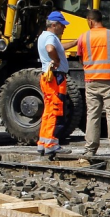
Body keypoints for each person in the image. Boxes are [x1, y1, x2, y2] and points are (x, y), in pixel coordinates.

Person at [76, 9, 110, 157]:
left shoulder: (84, 37)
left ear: (90, 21)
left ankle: (90, 149)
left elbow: (81, 59)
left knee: (92, 114)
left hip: (91, 82)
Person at [36, 11, 77, 158]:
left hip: (48, 76)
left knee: (48, 111)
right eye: (62, 26)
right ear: (54, 25)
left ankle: (44, 143)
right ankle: (52, 145)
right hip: (56, 77)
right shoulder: (50, 37)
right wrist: (57, 61)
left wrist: (75, 42)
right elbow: (51, 48)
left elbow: (58, 47)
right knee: (56, 109)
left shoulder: (43, 36)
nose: (64, 28)